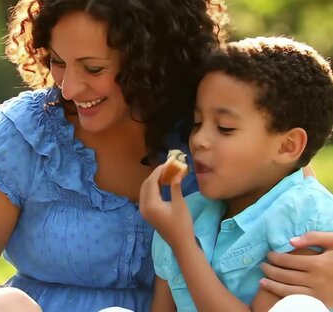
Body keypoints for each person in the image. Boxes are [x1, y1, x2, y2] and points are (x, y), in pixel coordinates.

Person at [0, 0, 333, 311]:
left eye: (93, 68)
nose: (68, 88)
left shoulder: (213, 133)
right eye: (59, 61)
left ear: (153, 63)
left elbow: (293, 198)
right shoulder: (25, 135)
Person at [140, 36, 333, 311]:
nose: (199, 140)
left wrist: (184, 246)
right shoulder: (186, 215)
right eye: (197, 123)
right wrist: (178, 237)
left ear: (287, 146)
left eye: (225, 127)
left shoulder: (305, 220)